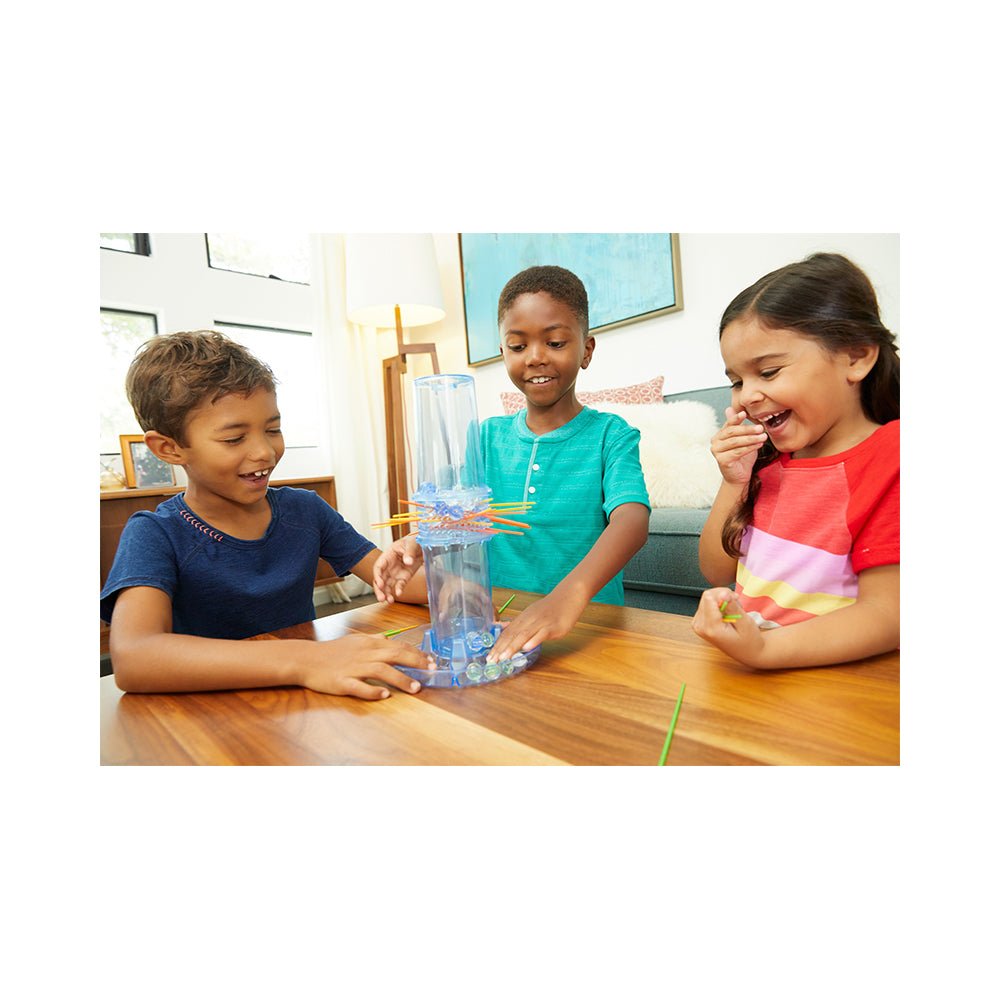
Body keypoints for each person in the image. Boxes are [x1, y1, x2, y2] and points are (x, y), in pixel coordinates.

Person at [100, 330, 432, 700]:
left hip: (303, 704)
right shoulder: (154, 534)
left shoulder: (305, 510)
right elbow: (134, 657)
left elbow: (395, 583)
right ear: (169, 448)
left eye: (272, 429)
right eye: (234, 439)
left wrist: (436, 562)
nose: (265, 452)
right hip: (207, 716)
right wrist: (306, 660)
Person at [374, 265, 650, 664]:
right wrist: (420, 541)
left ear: (586, 350)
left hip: (586, 628)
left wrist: (566, 598)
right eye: (518, 346)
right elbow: (453, 513)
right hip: (501, 630)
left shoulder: (612, 434)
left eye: (555, 342)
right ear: (503, 352)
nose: (535, 357)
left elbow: (632, 522)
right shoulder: (485, 437)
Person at [694, 252, 900, 668]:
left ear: (857, 357)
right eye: (736, 381)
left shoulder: (892, 455)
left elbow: (889, 614)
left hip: (837, 686)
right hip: (757, 675)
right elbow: (716, 571)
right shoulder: (767, 463)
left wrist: (764, 650)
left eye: (768, 372)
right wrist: (734, 482)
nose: (747, 395)